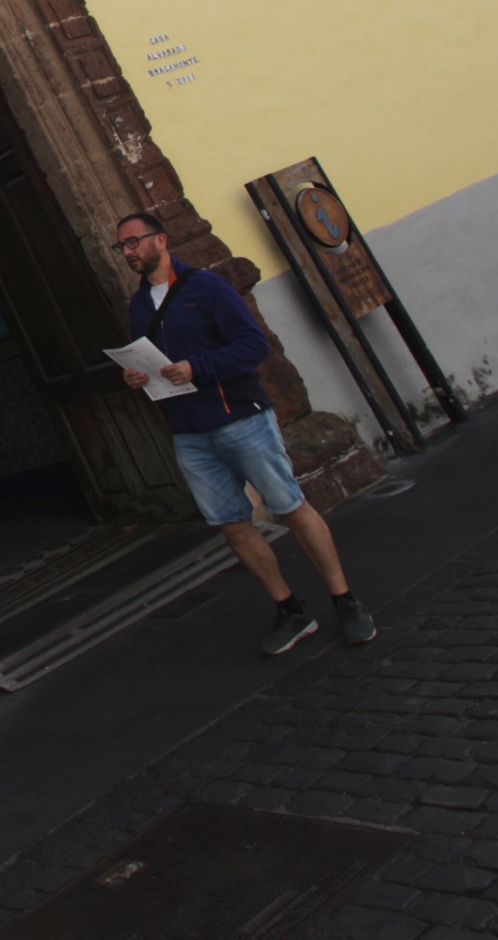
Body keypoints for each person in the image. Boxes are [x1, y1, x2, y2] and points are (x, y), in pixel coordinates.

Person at [113, 211, 377, 655]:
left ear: (161, 240)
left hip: (241, 419)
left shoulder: (206, 287)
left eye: (133, 242)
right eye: (121, 246)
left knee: (291, 508)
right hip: (190, 433)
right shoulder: (139, 306)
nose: (127, 252)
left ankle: (345, 600)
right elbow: (155, 359)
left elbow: (254, 345)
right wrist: (140, 376)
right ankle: (290, 609)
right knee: (233, 526)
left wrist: (198, 367)